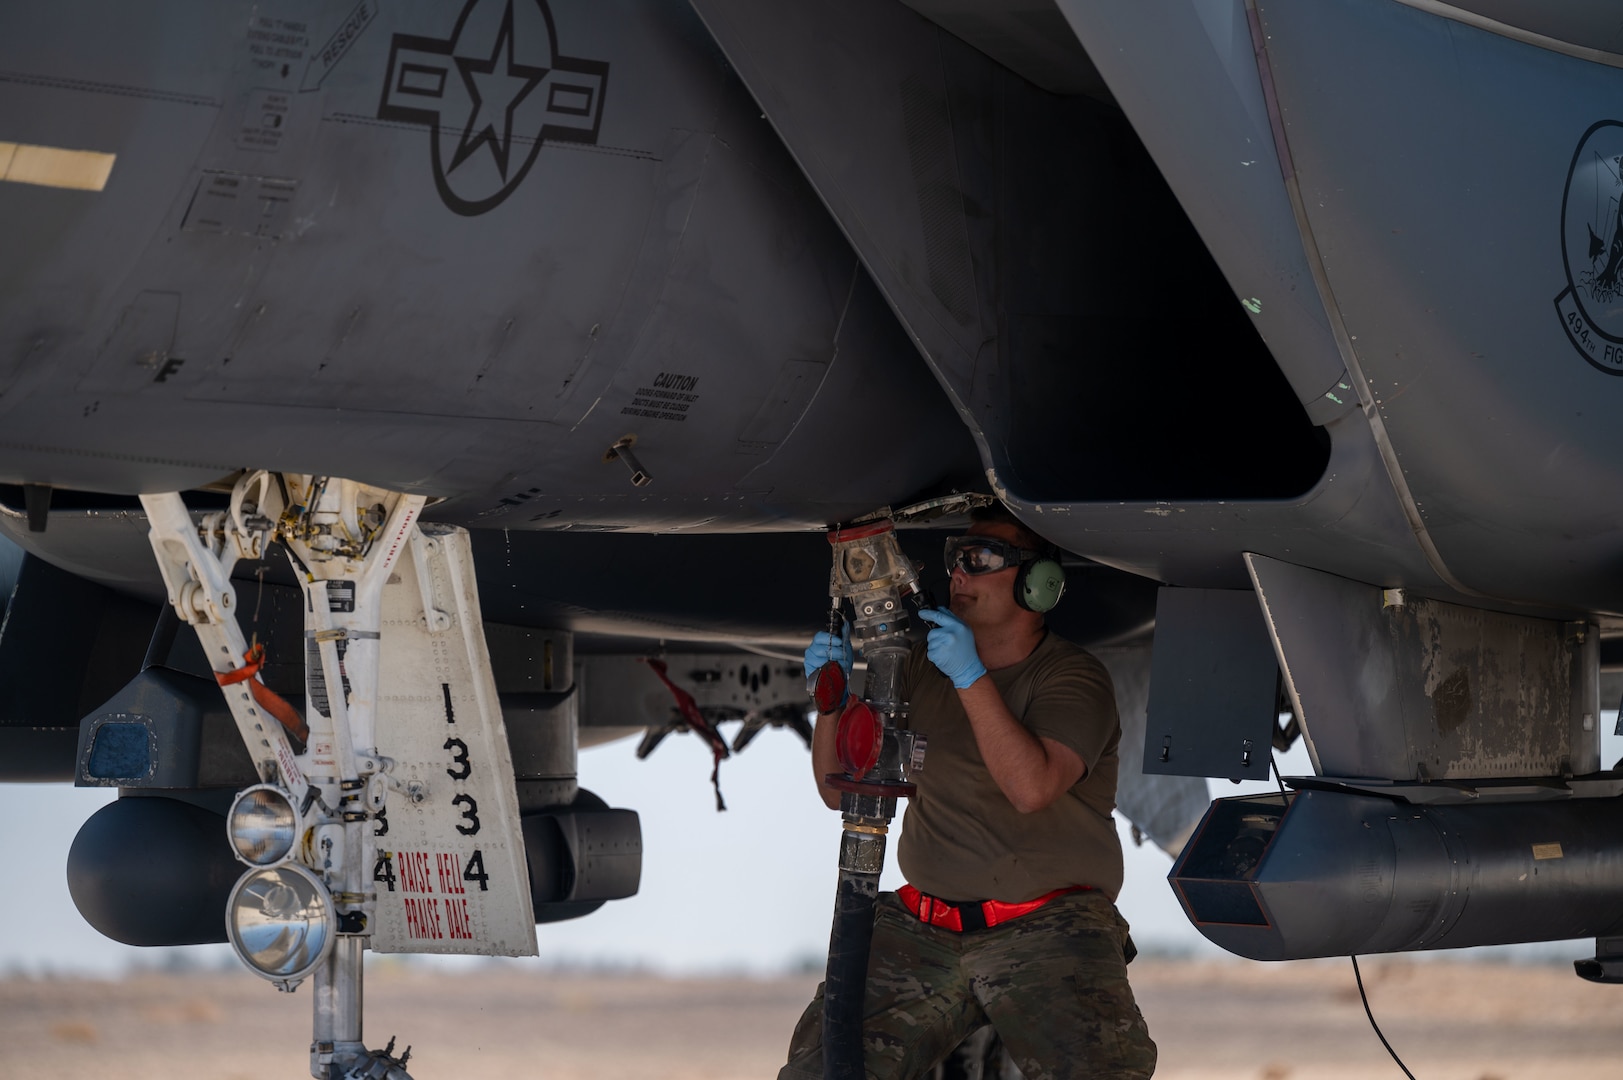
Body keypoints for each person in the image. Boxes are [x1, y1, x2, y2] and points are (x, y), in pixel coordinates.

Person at [781, 505, 1157, 1080]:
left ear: (1038, 585)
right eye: (957, 559)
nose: (959, 574)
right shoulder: (917, 669)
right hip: (923, 929)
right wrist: (829, 705)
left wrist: (971, 679)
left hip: (1047, 928)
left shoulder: (1071, 679)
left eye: (981, 560)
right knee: (823, 1068)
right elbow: (843, 792)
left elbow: (1031, 787)